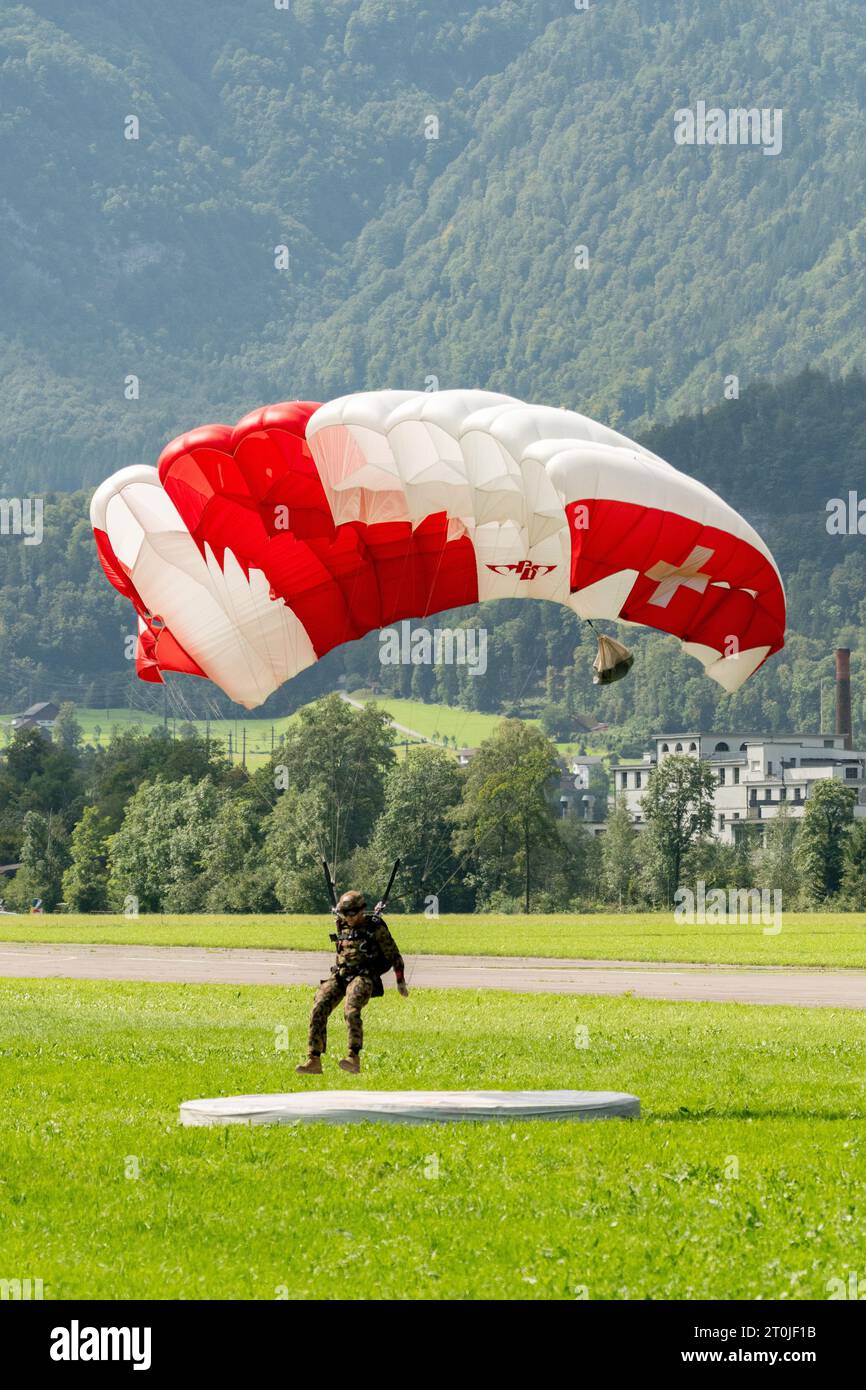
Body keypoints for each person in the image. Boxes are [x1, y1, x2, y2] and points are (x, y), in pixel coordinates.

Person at [296, 889, 408, 1076]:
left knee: (351, 1010)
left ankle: (353, 1057)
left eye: (352, 913)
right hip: (341, 975)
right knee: (318, 1007)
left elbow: (395, 956)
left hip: (364, 976)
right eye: (345, 914)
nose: (349, 918)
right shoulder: (342, 924)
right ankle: (314, 1060)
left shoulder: (375, 928)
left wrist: (400, 982)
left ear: (362, 910)